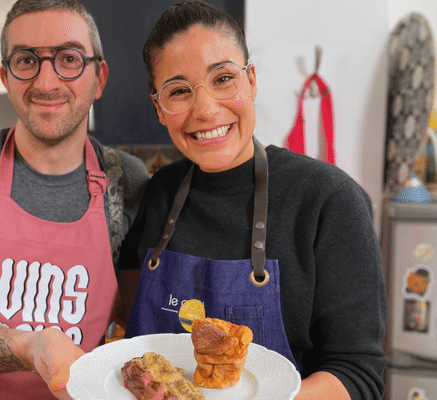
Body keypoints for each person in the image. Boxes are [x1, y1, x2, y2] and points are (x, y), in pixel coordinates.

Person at [115, 2, 387, 399]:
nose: (206, 110)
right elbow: (127, 324)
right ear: (159, 107)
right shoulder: (159, 192)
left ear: (251, 80)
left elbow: (357, 375)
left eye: (223, 78)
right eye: (178, 91)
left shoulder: (328, 200)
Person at [0, 0, 150, 399]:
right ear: (6, 77)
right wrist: (29, 346)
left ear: (99, 77)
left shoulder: (125, 180)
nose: (47, 82)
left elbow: (136, 317)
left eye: (69, 59)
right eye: (26, 61)